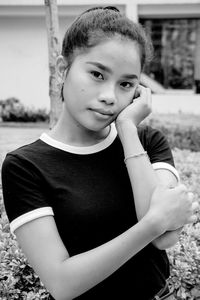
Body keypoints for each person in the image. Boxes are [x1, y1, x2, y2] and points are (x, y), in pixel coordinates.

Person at [1, 6, 198, 300]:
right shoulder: (25, 166)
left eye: (126, 84)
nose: (109, 96)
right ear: (61, 69)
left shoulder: (147, 140)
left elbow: (165, 239)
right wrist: (153, 223)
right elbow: (62, 284)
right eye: (96, 74)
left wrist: (128, 131)